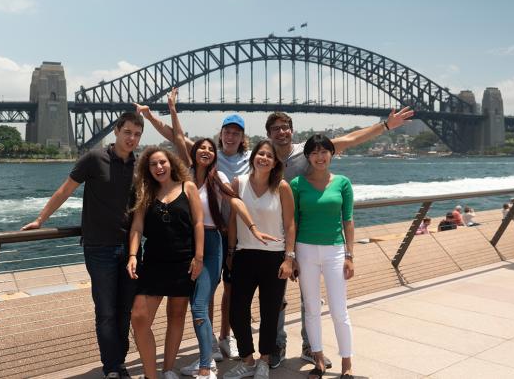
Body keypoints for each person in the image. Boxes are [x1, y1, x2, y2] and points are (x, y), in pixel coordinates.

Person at [145, 106, 414, 368]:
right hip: (243, 239)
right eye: (275, 129)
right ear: (268, 135)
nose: (281, 132)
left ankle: (307, 347)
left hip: (295, 236)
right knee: (259, 298)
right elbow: (178, 138)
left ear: (291, 130)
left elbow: (349, 140)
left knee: (296, 299)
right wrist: (156, 115)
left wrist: (386, 125)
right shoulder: (247, 158)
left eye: (285, 127)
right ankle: (262, 345)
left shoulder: (304, 153)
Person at [148, 89, 277, 378]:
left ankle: (212, 356)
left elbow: (235, 199)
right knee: (197, 304)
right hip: (187, 244)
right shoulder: (185, 175)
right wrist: (168, 110)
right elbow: (176, 137)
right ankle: (206, 357)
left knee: (210, 301)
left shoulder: (227, 171)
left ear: (241, 138)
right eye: (226, 132)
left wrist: (255, 227)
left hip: (224, 239)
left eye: (236, 133)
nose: (230, 137)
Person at [21, 112, 144, 379]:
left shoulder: (139, 165)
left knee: (125, 310)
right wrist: (41, 219)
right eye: (128, 132)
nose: (132, 138)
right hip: (99, 247)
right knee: (106, 311)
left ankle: (118, 362)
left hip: (131, 250)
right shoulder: (94, 158)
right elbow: (65, 189)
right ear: (116, 131)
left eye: (137, 134)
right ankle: (111, 367)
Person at [126, 147, 204, 379]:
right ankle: (151, 375)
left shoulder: (187, 187)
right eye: (153, 164)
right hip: (153, 263)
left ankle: (168, 370)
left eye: (162, 162)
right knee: (139, 316)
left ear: (171, 163)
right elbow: (137, 226)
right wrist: (132, 255)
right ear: (147, 169)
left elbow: (199, 223)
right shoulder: (144, 191)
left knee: (177, 314)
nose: (159, 167)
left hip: (183, 262)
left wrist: (198, 257)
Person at [224, 140, 296, 379]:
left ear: (275, 162)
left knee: (270, 312)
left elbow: (290, 224)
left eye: (269, 155)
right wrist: (231, 252)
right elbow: (233, 220)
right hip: (245, 255)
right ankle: (247, 360)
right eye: (260, 154)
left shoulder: (282, 187)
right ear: (253, 157)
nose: (264, 158)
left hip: (274, 257)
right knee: (237, 312)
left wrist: (289, 258)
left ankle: (264, 360)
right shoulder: (239, 183)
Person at [291, 135, 355, 379]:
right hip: (305, 250)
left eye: (324, 151)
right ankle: (318, 359)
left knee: (340, 310)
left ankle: (347, 363)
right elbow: (293, 222)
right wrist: (292, 256)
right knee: (312, 309)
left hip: (335, 251)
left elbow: (348, 220)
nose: (320, 157)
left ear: (332, 154)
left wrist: (350, 255)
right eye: (315, 152)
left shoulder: (343, 183)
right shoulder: (297, 184)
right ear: (308, 157)